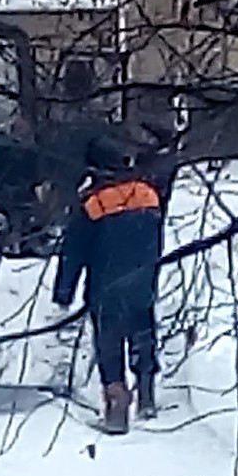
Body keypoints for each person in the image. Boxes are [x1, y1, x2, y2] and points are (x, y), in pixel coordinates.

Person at [54, 136, 164, 435]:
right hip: (143, 284)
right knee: (143, 334)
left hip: (107, 289)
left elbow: (73, 251)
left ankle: (117, 411)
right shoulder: (148, 194)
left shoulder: (94, 204)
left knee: (110, 345)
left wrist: (64, 292)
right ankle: (146, 395)